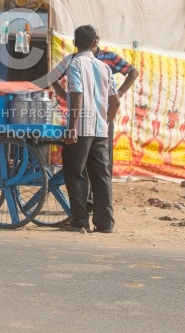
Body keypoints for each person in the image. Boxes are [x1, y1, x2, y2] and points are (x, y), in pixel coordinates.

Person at [60, 25, 120, 233]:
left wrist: (71, 128)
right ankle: (105, 223)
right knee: (101, 175)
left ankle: (80, 220)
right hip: (100, 130)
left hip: (82, 128)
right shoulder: (105, 68)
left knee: (75, 171)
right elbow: (116, 102)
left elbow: (76, 95)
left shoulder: (75, 63)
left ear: (76, 43)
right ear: (94, 43)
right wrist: (107, 122)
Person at [48, 37, 139, 174]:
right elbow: (52, 77)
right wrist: (68, 97)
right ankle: (90, 194)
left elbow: (133, 72)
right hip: (82, 118)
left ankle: (95, 193)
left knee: (102, 162)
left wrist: (118, 94)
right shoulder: (72, 59)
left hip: (103, 117)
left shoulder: (109, 57)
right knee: (82, 162)